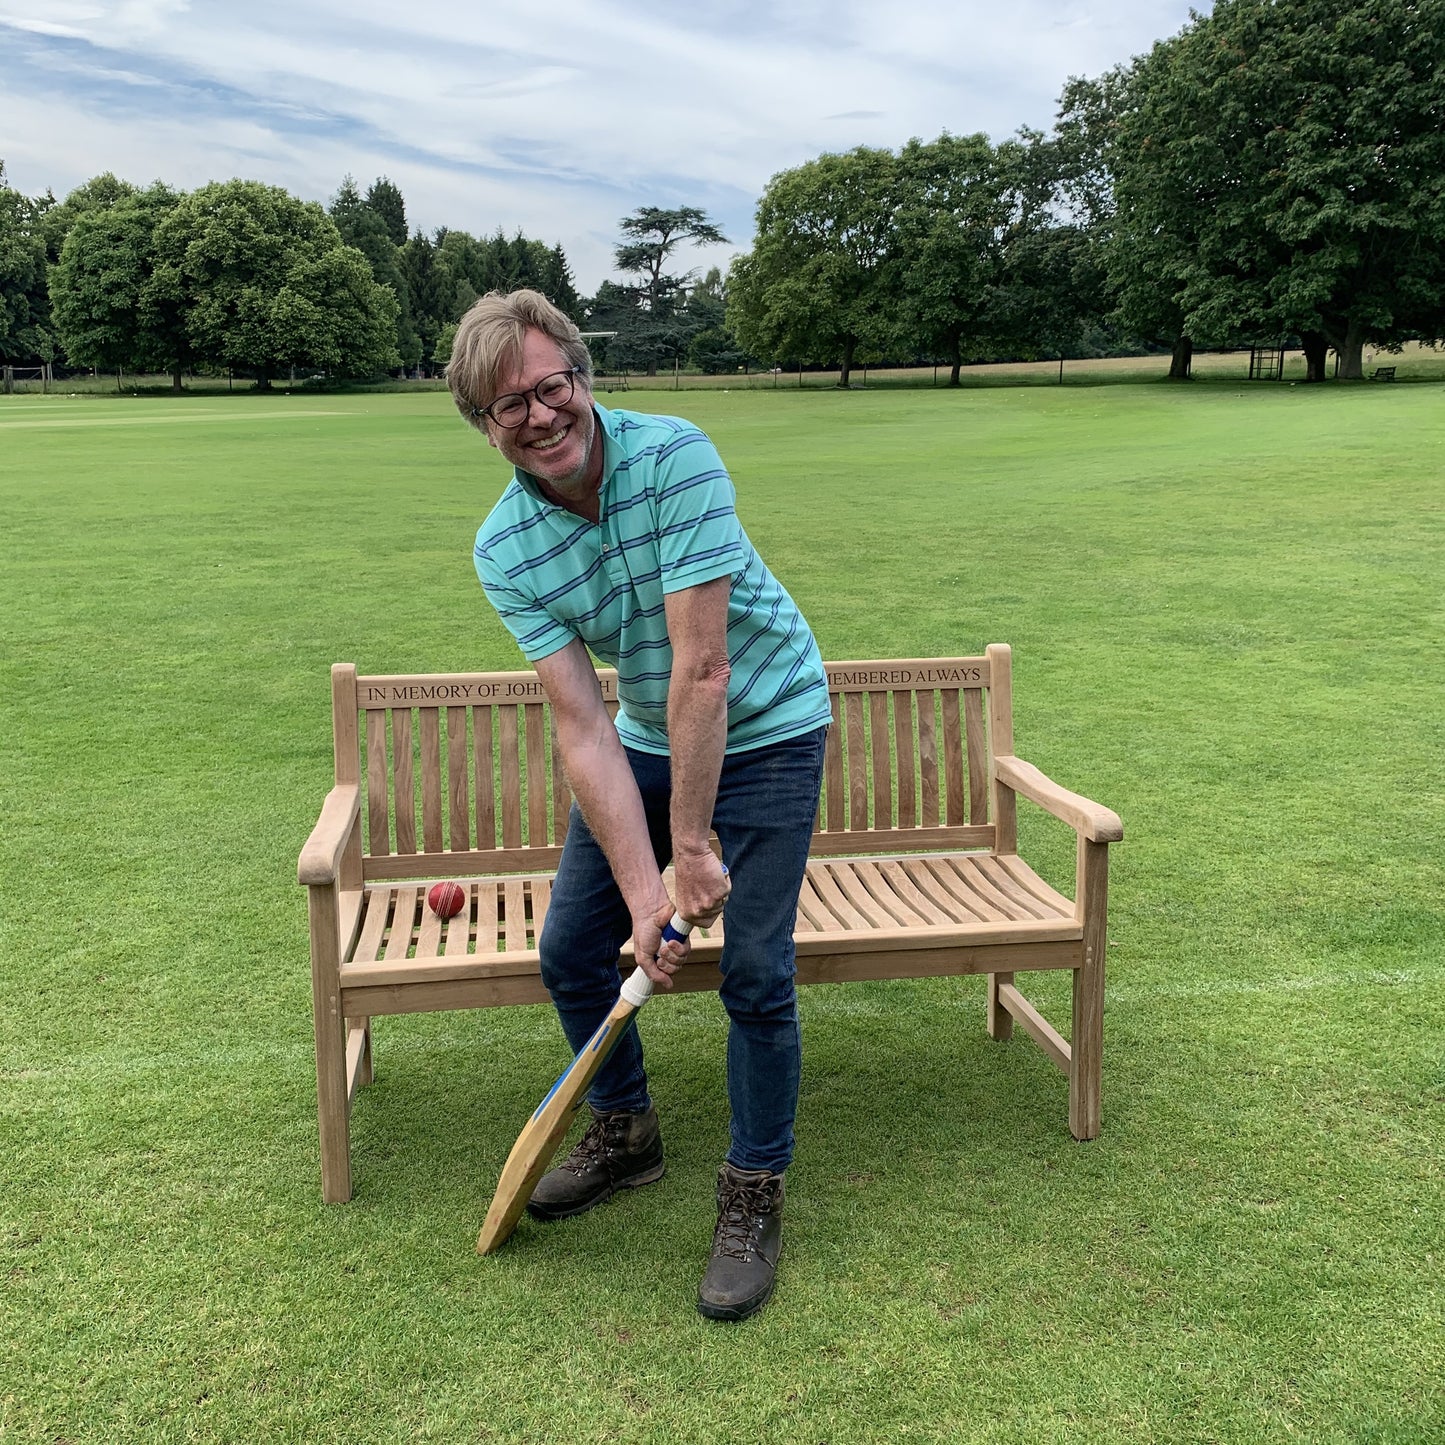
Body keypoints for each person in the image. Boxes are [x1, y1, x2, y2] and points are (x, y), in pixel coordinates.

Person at [449, 289, 831, 1322]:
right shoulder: (504, 548)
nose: (537, 415)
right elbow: (583, 724)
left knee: (752, 968)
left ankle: (752, 1188)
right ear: (482, 425)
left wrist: (691, 849)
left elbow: (702, 669)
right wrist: (640, 891)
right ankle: (626, 1129)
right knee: (573, 947)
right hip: (653, 737)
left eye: (549, 385)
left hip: (769, 726)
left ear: (580, 377)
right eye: (505, 404)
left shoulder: (675, 458)